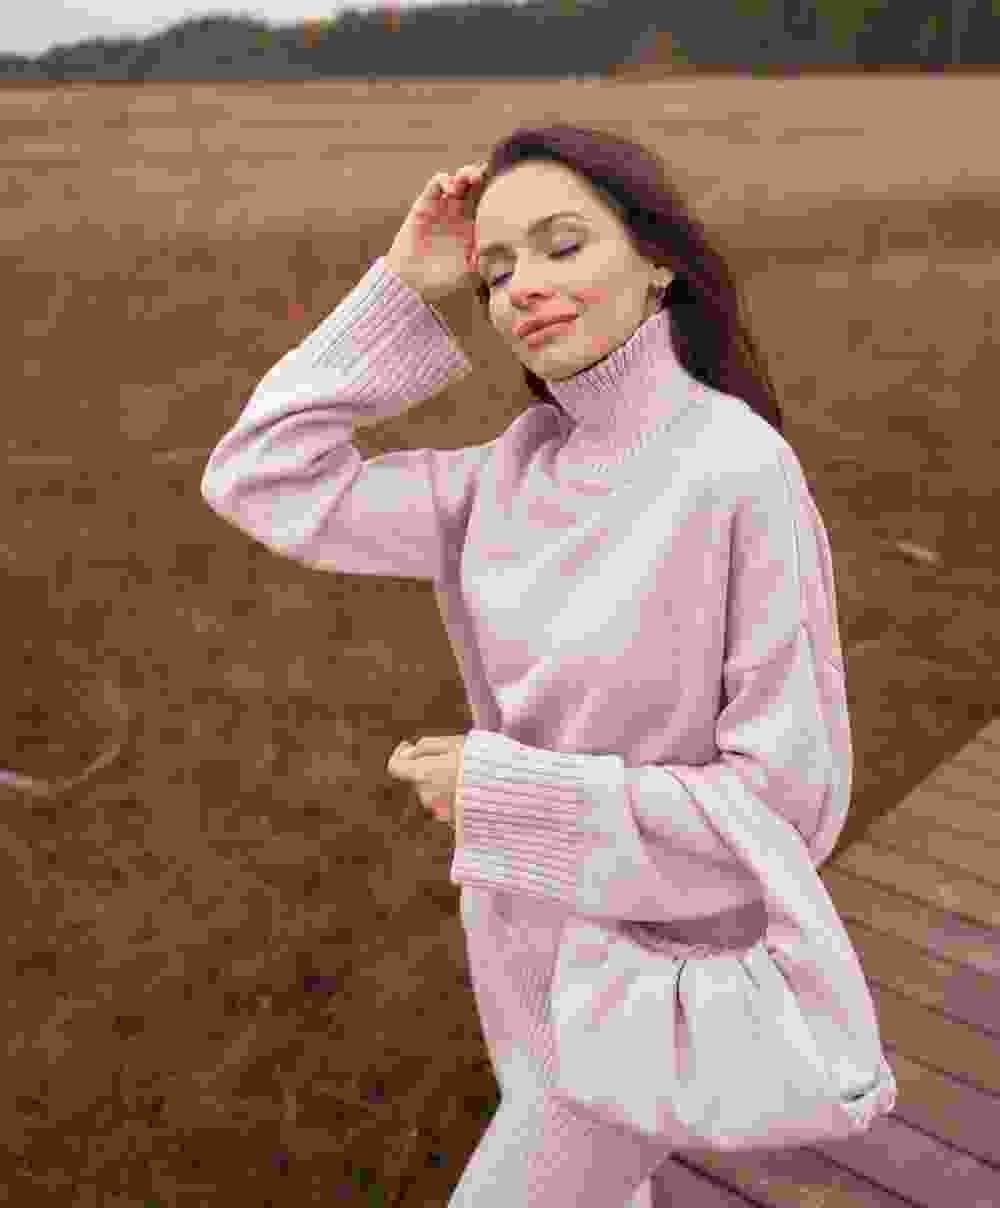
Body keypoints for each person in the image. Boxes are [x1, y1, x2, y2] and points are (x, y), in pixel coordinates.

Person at [200, 124, 864, 1206]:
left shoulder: (736, 471)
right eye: (497, 270)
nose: (524, 290)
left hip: (656, 965)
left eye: (563, 245)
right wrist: (403, 289)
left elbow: (787, 804)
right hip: (517, 944)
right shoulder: (501, 478)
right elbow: (262, 477)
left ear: (658, 261)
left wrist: (507, 795)